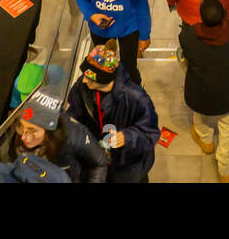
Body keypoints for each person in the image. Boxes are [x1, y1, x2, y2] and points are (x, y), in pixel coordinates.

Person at [179, 0, 229, 182]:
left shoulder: (188, 37)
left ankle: (206, 141)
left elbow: (183, 49)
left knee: (200, 116)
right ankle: (225, 170)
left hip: (200, 93)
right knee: (227, 127)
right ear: (223, 16)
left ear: (201, 18)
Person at [65, 39, 160, 182]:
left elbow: (151, 134)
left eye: (90, 78)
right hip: (96, 159)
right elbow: (74, 111)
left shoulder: (136, 98)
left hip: (127, 167)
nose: (84, 80)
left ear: (105, 79)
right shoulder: (82, 88)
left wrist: (126, 137)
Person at [0, 92, 108, 182]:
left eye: (33, 131)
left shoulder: (74, 135)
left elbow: (100, 162)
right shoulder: (20, 134)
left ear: (50, 131)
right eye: (22, 127)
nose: (24, 137)